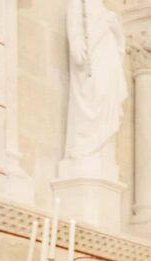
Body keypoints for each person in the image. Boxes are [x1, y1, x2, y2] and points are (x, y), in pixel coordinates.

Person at [63, 0, 127, 166]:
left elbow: (121, 44)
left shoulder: (108, 13)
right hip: (91, 57)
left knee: (107, 94)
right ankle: (84, 145)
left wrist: (113, 26)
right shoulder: (79, 4)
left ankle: (99, 148)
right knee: (95, 92)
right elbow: (74, 24)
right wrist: (76, 42)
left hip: (108, 55)